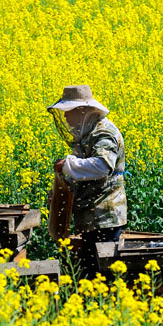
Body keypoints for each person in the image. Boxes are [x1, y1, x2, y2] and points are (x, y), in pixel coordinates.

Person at [48, 85, 128, 278]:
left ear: (82, 110)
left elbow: (101, 166)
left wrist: (68, 164)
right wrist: (61, 192)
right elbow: (83, 173)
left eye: (68, 112)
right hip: (92, 217)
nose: (66, 117)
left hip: (105, 218)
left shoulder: (103, 133)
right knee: (91, 274)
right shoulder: (88, 133)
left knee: (102, 275)